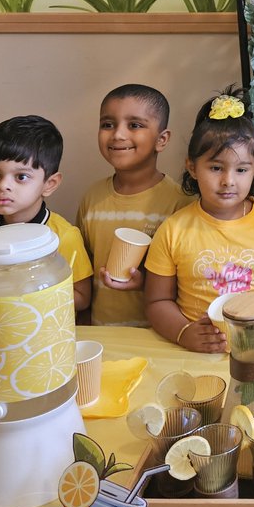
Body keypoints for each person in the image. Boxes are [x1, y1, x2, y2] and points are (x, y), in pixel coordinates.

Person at [144, 87, 254, 351]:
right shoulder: (173, 229)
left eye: (241, 169)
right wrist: (184, 333)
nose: (228, 180)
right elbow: (156, 302)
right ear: (192, 167)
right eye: (216, 168)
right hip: (197, 353)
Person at [0, 115, 93, 311]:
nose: (3, 185)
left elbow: (82, 297)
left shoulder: (64, 236)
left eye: (21, 177)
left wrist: (29, 299)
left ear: (49, 184)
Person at [77, 84, 193, 326]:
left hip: (157, 335)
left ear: (161, 140)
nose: (118, 134)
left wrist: (146, 282)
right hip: (102, 334)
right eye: (107, 124)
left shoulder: (180, 203)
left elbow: (190, 281)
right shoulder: (92, 197)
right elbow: (83, 273)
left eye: (135, 125)